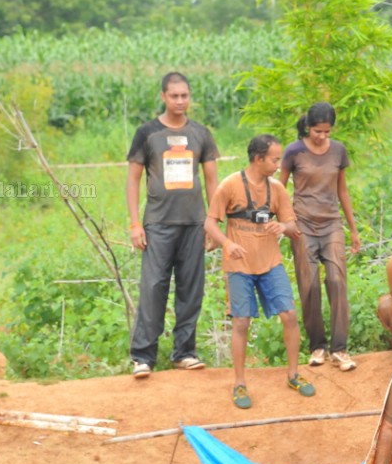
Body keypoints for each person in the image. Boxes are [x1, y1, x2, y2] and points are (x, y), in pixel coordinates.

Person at [204, 134, 315, 409]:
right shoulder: (230, 186)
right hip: (239, 265)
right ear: (258, 159)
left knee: (289, 315)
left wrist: (283, 227)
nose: (278, 165)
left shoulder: (276, 189)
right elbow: (210, 223)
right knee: (241, 322)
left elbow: (292, 224)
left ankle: (293, 374)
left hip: (270, 263)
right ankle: (239, 382)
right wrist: (227, 243)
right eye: (275, 159)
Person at [126, 71, 219, 378]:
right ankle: (143, 356)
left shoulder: (201, 134)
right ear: (163, 96)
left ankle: (185, 352)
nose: (180, 101)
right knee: (153, 287)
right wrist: (134, 224)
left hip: (193, 223)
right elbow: (133, 180)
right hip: (158, 224)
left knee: (191, 289)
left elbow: (211, 180)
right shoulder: (147, 133)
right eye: (174, 95)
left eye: (185, 95)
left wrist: (213, 223)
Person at [278, 102, 361, 372]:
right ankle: (318, 346)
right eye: (317, 131)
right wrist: (282, 222)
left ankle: (340, 348)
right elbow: (279, 189)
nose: (322, 136)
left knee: (337, 279)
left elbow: (343, 190)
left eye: (327, 131)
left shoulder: (338, 151)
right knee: (309, 283)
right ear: (308, 127)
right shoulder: (294, 151)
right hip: (302, 225)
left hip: (331, 224)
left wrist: (353, 229)